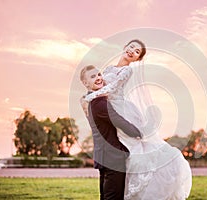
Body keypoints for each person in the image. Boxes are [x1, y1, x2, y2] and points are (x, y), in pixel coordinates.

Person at [84, 39, 192, 199]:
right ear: (125, 46)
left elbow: (111, 88)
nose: (132, 51)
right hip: (107, 106)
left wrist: (90, 96)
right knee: (115, 141)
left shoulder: (127, 71)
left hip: (118, 107)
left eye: (136, 52)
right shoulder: (109, 68)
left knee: (132, 144)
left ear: (137, 59)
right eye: (132, 47)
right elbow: (99, 83)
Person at [80, 65, 142, 200]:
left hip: (105, 157)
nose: (98, 78)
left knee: (106, 196)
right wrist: (139, 132)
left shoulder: (93, 102)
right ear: (85, 83)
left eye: (99, 74)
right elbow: (119, 121)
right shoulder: (99, 104)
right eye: (92, 76)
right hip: (112, 158)